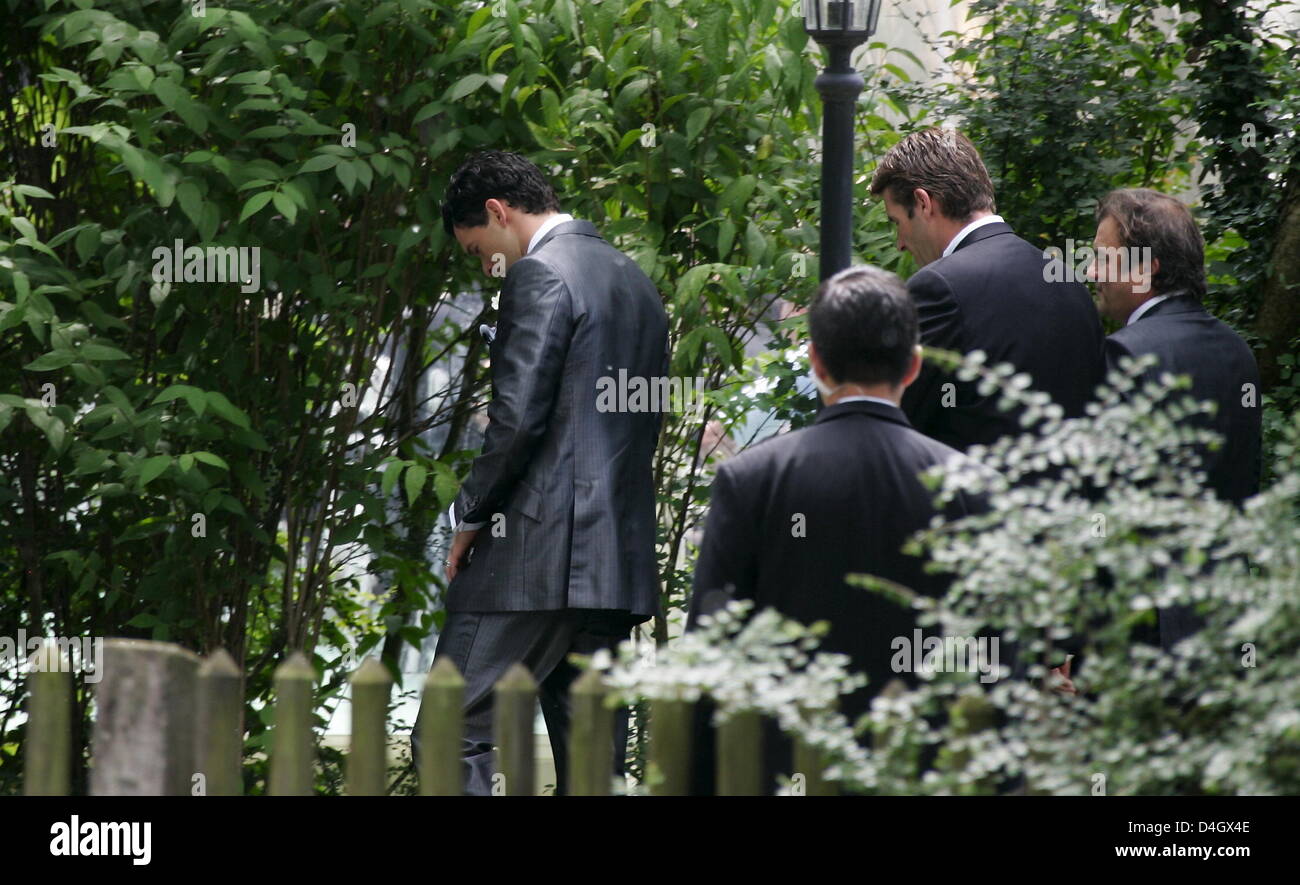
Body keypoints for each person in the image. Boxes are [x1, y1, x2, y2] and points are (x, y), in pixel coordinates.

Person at [411, 150, 670, 795]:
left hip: (534, 558)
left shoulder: (538, 275)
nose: (485, 265)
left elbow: (517, 420)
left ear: (498, 212)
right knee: (592, 765)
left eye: (477, 250)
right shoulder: (634, 280)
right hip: (613, 559)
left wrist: (469, 514)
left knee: (450, 729)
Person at [685, 265, 990, 795]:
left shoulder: (750, 481)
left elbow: (711, 651)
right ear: (914, 366)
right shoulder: (972, 485)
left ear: (817, 362)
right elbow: (994, 659)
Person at [1089, 187, 1262, 650]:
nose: (1091, 273)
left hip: (1147, 624)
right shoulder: (1237, 351)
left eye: (1104, 259)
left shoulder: (1126, 353)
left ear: (1147, 270)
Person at [869, 128, 1104, 452]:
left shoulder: (937, 288)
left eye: (896, 222)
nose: (900, 243)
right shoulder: (1067, 280)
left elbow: (893, 421)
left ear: (923, 203)